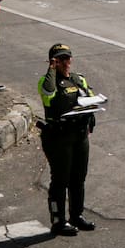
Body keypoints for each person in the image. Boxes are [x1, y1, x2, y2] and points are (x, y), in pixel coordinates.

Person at [38, 43, 100, 236]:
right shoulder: (47, 81)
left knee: (78, 178)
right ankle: (58, 222)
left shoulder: (78, 79)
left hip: (79, 136)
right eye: (60, 59)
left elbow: (90, 97)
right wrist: (51, 69)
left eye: (67, 58)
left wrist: (90, 118)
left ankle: (76, 216)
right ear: (53, 62)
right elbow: (48, 93)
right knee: (60, 180)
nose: (65, 62)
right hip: (59, 138)